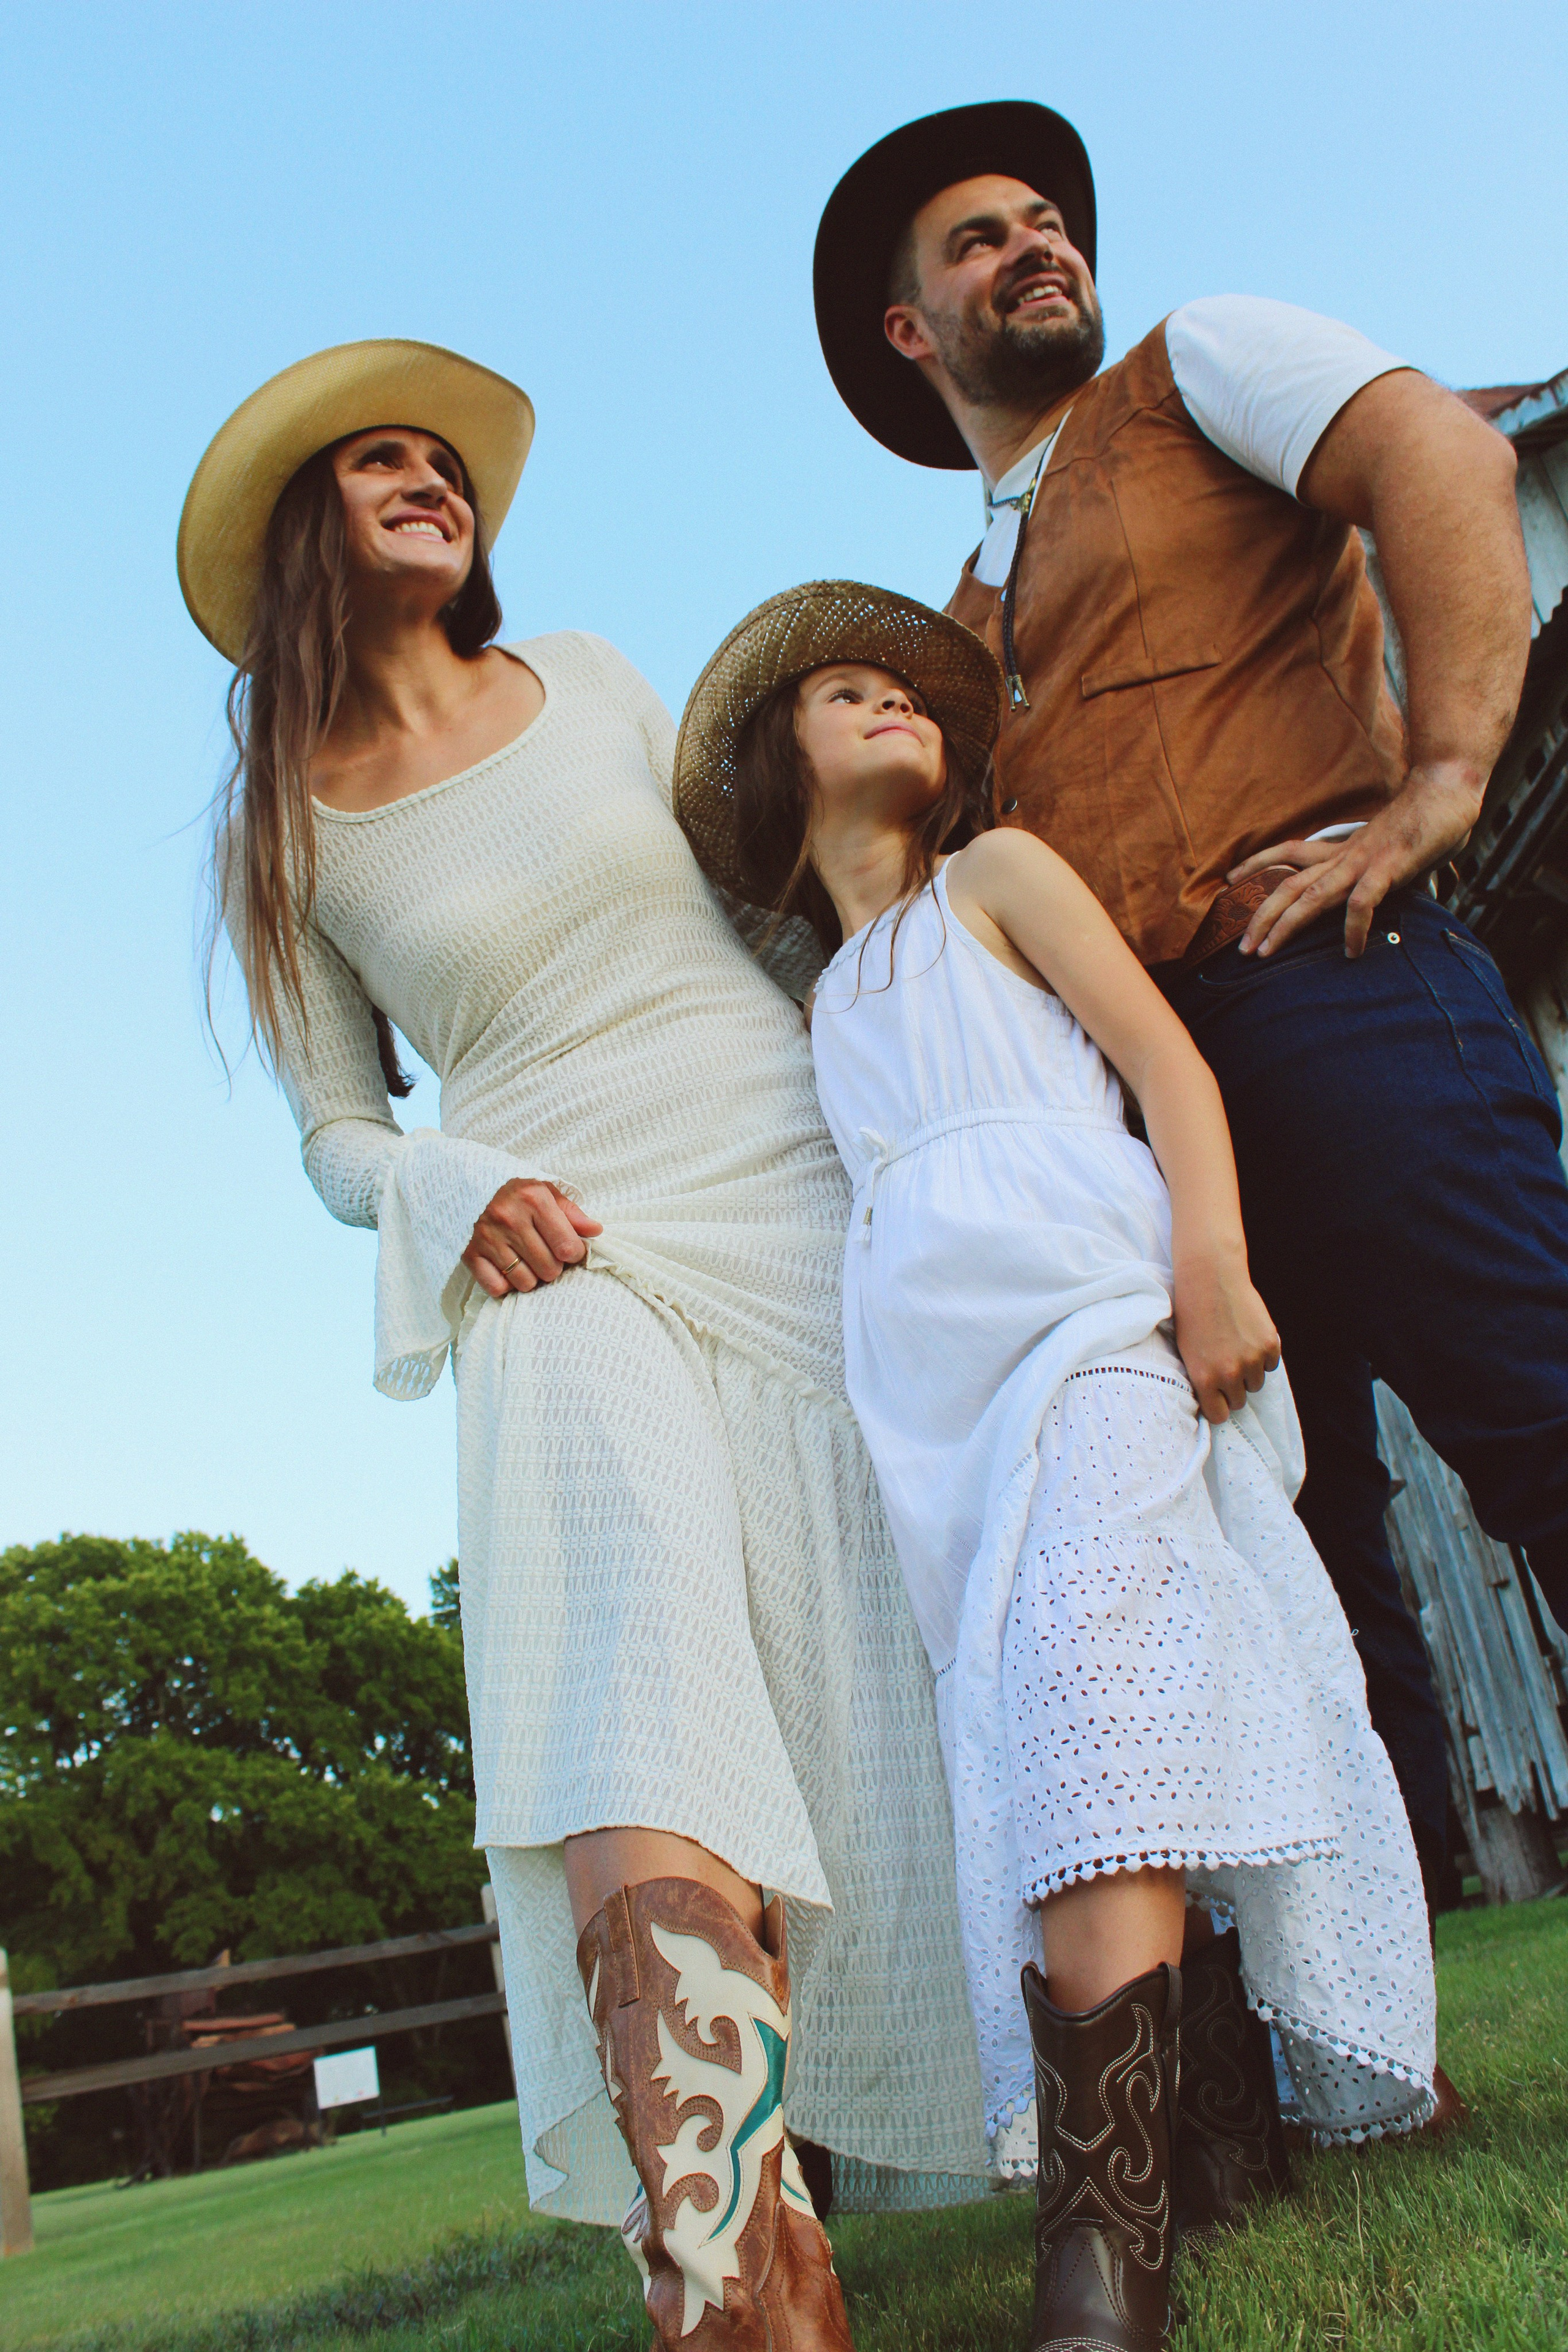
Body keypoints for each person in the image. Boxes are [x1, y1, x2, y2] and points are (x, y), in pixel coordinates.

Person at [181, 339, 991, 2351]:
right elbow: (335, 1129)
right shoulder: (288, 827)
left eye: (442, 463)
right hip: (551, 1234)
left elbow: (763, 902)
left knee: (895, 1623)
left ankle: (1145, 2058)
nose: (426, 483)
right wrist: (445, 1194)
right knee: (626, 1637)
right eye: (378, 463)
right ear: (312, 532)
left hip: (772, 1159)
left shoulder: (607, 679)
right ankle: (740, 2268)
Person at [811, 102, 1568, 1940]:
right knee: (1294, 1555)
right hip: (1158, 1124)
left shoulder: (1195, 362)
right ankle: (1377, 2036)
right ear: (913, 333)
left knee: (1539, 1408)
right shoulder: (954, 621)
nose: (1036, 248)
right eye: (979, 242)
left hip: (1337, 986)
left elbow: (1445, 462)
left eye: (1046, 221)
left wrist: (1449, 772)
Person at [673, 579, 1435, 2352]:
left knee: (1099, 1678)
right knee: (1043, 1722)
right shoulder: (826, 1010)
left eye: (901, 688)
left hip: (1098, 1322)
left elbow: (1164, 1060)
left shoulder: (994, 885)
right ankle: (1209, 2116)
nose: (886, 705)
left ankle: (1106, 2247)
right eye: (841, 694)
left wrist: (1215, 1262)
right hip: (941, 1412)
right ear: (781, 782)